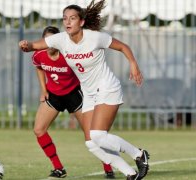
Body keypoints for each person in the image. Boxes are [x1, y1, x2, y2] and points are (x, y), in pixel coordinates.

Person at [19, 0, 150, 179]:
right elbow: (35, 46)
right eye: (65, 18)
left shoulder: (94, 37)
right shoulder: (61, 39)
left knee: (98, 135)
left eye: (72, 18)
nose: (68, 22)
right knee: (92, 143)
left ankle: (138, 154)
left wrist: (133, 64)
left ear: (81, 22)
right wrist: (26, 46)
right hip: (89, 93)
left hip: (106, 87)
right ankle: (130, 173)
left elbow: (122, 47)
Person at [32, 26, 115, 179]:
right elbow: (39, 68)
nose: (49, 45)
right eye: (46, 41)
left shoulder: (68, 55)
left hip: (74, 95)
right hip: (54, 96)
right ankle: (58, 168)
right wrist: (44, 90)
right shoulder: (39, 55)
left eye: (52, 41)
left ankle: (109, 168)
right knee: (39, 129)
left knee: (92, 135)